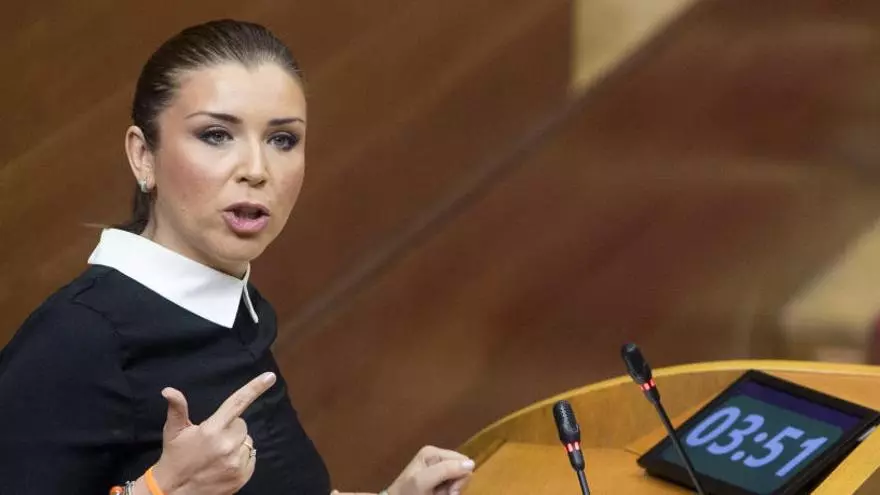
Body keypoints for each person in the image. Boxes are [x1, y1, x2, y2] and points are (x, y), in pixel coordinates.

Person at [0, 19, 474, 495]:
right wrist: (159, 489)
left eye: (282, 139)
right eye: (216, 134)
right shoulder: (79, 337)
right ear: (143, 155)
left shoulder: (231, 306)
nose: (256, 169)